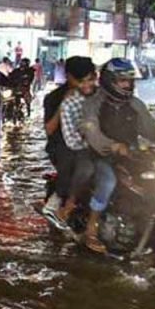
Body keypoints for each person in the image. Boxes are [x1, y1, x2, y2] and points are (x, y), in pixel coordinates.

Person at [77, 58, 155, 253]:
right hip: (99, 155)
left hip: (131, 155)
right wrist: (113, 146)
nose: (128, 85)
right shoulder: (93, 103)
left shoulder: (135, 104)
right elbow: (92, 134)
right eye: (123, 80)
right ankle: (91, 229)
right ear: (109, 80)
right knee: (108, 182)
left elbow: (152, 128)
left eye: (130, 81)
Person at [41, 56, 97, 229]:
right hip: (62, 146)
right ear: (69, 77)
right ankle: (57, 203)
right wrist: (63, 105)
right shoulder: (54, 97)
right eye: (79, 79)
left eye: (89, 78)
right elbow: (49, 129)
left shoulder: (97, 94)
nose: (84, 83)